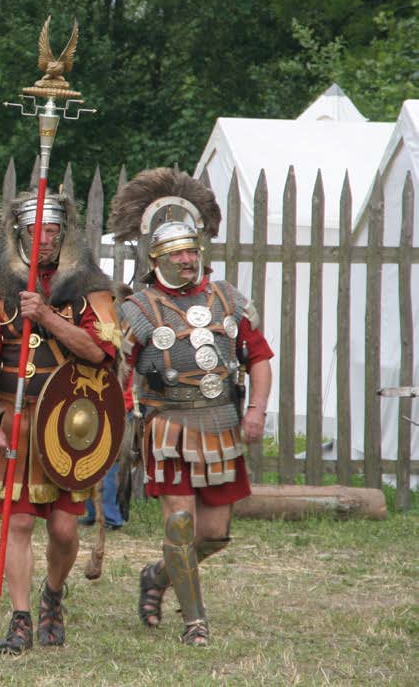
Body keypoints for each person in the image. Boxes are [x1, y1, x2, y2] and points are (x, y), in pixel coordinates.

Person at [108, 167, 273, 647]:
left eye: (191, 251)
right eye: (177, 253)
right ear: (157, 258)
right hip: (168, 426)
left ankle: (157, 577)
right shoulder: (139, 308)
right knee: (180, 524)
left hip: (221, 421)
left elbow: (258, 359)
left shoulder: (228, 300)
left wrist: (256, 410)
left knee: (215, 533)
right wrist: (122, 415)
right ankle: (194, 621)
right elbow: (120, 370)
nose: (186, 260)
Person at [0, 190, 121, 653]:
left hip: (72, 423)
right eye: (36, 230)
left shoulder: (87, 289)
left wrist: (46, 316)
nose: (44, 239)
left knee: (66, 530)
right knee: (20, 523)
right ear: (20, 232)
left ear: (63, 234)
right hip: (18, 424)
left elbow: (100, 351)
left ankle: (53, 595)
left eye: (52, 230)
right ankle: (22, 616)